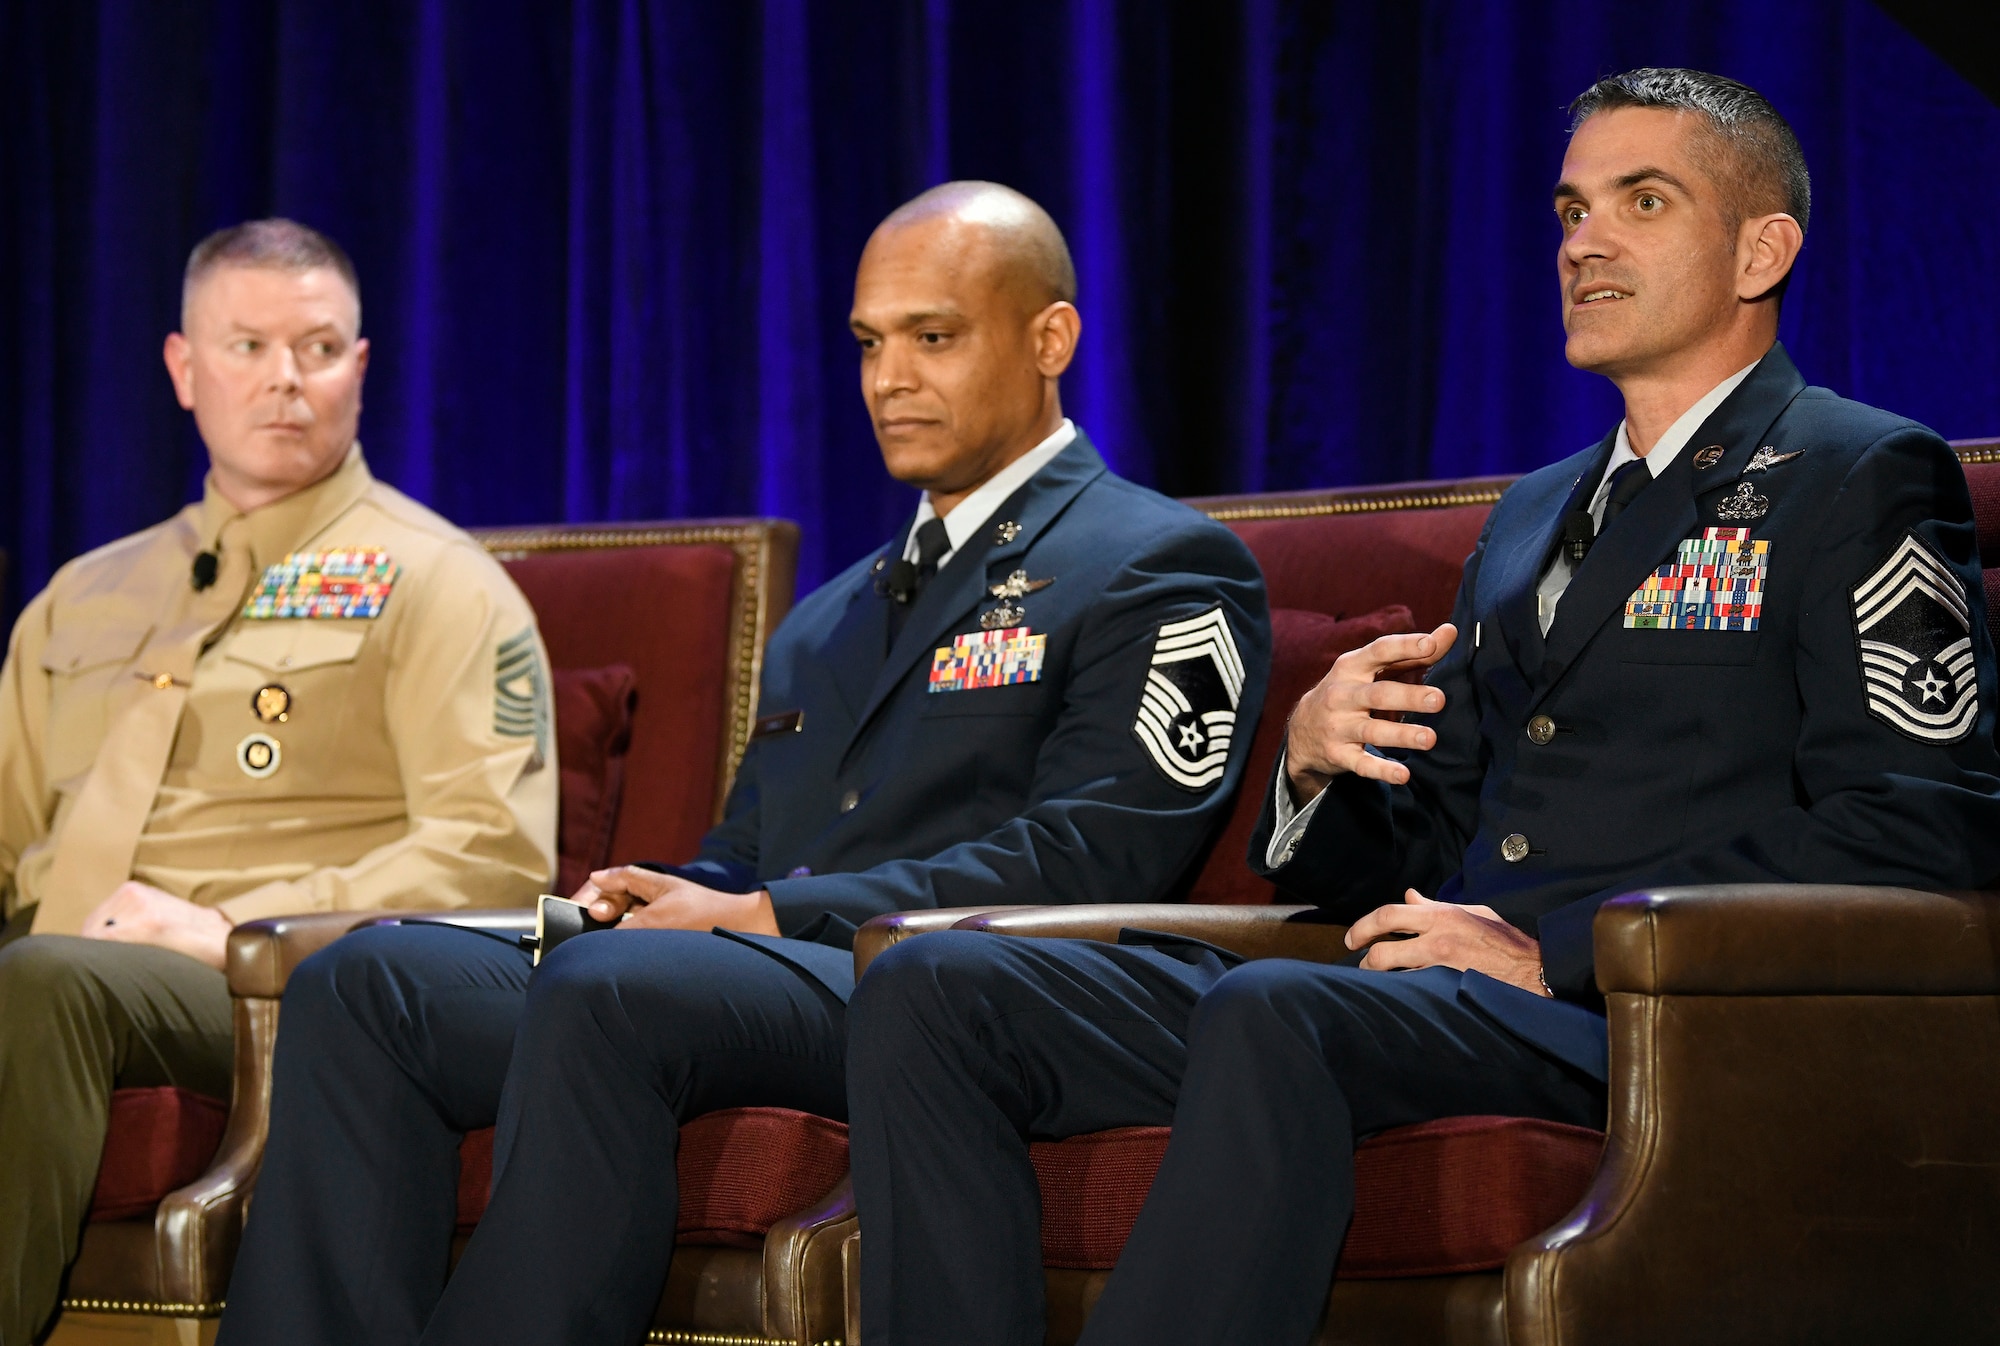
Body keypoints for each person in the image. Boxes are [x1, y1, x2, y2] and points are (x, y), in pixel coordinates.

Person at [844, 69, 2000, 1345]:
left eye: (1642, 200)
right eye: (1569, 209)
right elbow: (1420, 842)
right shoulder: (1529, 514)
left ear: (1759, 250)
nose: (1584, 241)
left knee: (1277, 1007)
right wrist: (1314, 765)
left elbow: (1917, 821)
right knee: (937, 985)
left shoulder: (1856, 471)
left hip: (1648, 1015)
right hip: (1433, 990)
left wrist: (1555, 947)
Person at [215, 181, 1270, 1346]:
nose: (888, 378)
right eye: (868, 343)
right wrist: (664, 887)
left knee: (610, 986)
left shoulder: (1158, 561)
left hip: (942, 991)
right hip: (775, 973)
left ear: (1049, 339)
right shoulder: (824, 619)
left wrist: (766, 909)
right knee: (368, 980)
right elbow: (746, 852)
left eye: (933, 337)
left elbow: (1093, 851)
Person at [0, 219, 556, 1344]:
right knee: (41, 970)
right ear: (182, 367)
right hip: (51, 957)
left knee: (45, 982)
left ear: (360, 365)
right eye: (247, 345)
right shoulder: (80, 593)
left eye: (315, 348)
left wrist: (226, 927)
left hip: (247, 986)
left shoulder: (440, 582)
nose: (284, 380)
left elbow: (488, 852)